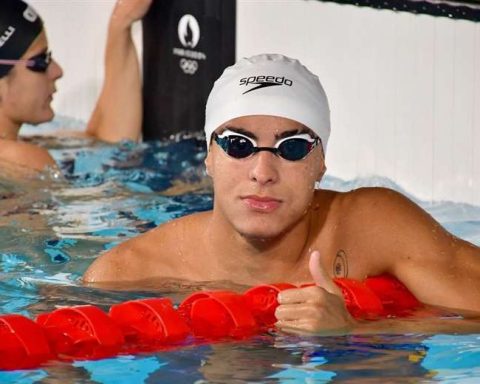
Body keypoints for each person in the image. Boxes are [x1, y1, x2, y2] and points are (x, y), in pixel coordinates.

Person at [83, 53, 480, 334]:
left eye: (291, 149)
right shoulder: (124, 274)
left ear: (321, 163)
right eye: (239, 145)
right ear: (208, 158)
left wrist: (354, 334)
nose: (262, 172)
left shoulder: (371, 226)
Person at [0, 0, 151, 171]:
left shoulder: (21, 147)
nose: (57, 71)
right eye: (40, 61)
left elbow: (110, 145)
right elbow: (109, 190)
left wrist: (121, 22)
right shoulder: (20, 161)